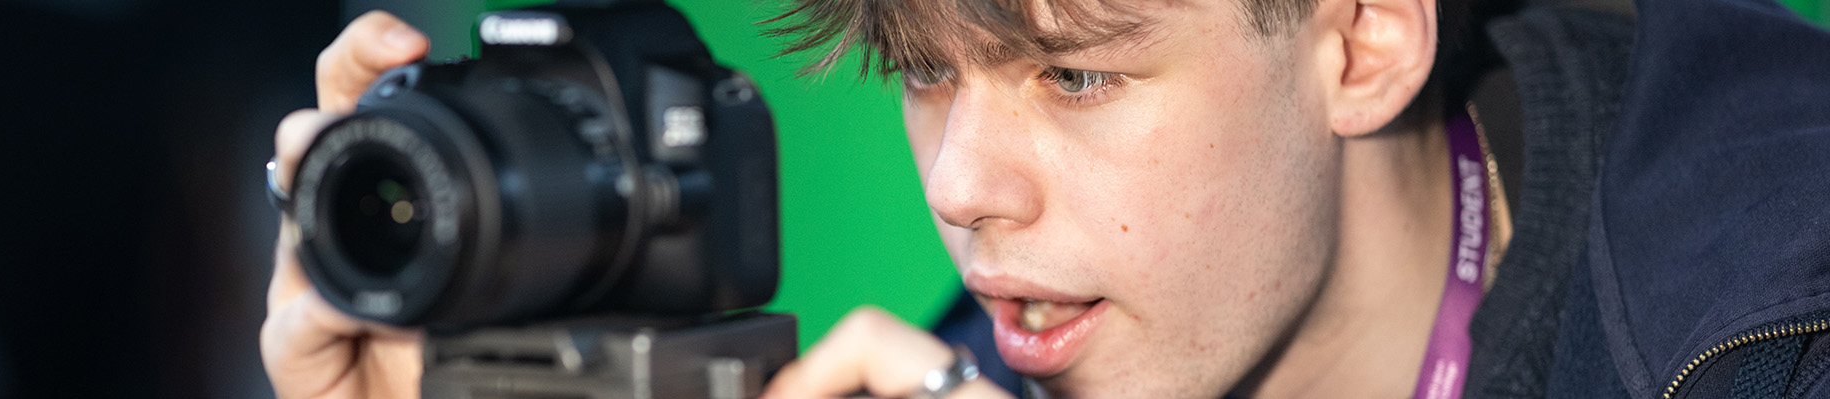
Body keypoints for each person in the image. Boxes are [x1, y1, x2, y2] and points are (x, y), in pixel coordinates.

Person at [261, 0, 1830, 398]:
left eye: (1073, 76)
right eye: (924, 74)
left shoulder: (1769, 330)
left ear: (1360, 38)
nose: (963, 191)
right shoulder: (978, 362)